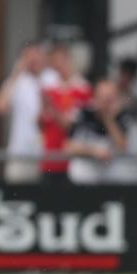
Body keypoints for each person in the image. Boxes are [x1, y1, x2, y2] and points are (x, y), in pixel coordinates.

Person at [0, 41, 45, 183]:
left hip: (46, 154)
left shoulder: (51, 78)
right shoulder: (17, 81)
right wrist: (15, 74)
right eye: (29, 56)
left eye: (37, 55)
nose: (34, 60)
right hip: (19, 152)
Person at [39, 44, 91, 184]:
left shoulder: (82, 89)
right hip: (49, 160)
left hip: (71, 162)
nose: (55, 66)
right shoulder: (50, 88)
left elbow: (71, 127)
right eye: (53, 62)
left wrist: (52, 106)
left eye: (58, 61)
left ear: (68, 60)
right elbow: (42, 125)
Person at [65, 80, 130, 183]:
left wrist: (108, 119)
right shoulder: (83, 114)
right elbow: (68, 147)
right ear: (95, 97)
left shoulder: (120, 117)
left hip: (109, 179)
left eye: (109, 99)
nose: (105, 102)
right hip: (82, 179)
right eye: (103, 98)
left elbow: (123, 147)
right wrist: (93, 151)